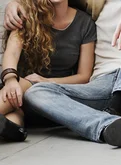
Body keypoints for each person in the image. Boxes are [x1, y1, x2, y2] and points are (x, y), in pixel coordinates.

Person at [3, 0, 121, 147]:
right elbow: (56, 3)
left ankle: (120, 104)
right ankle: (106, 125)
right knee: (35, 91)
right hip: (103, 84)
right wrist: (15, 4)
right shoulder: (94, 3)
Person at [0, 0, 95, 142]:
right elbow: (12, 52)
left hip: (51, 99)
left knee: (25, 87)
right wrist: (10, 79)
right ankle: (12, 129)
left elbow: (84, 76)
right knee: (14, 116)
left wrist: (46, 81)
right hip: (16, 95)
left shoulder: (84, 23)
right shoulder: (27, 13)